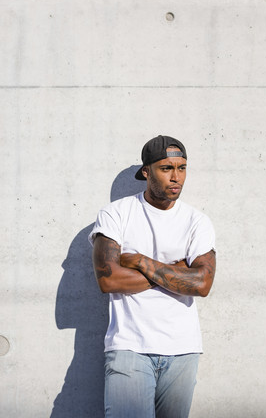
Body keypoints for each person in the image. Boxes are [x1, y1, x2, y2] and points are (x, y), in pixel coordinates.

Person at [89, 135, 216, 418]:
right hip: (129, 348)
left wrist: (139, 261)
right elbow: (109, 280)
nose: (176, 177)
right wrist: (177, 270)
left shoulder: (197, 221)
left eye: (182, 168)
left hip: (183, 350)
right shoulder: (116, 215)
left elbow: (202, 283)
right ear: (147, 171)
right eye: (166, 168)